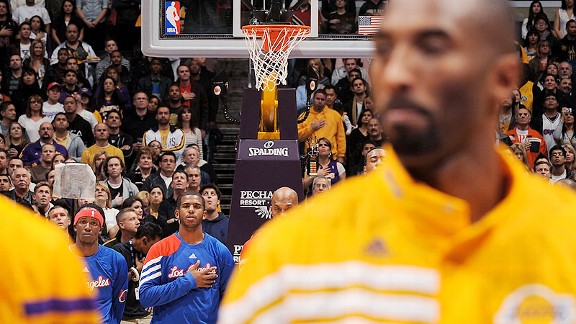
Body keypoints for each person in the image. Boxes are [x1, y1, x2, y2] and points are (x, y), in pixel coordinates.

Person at [219, 0, 576, 322]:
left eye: (432, 48)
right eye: (386, 50)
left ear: (502, 77)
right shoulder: (288, 258)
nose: (398, 73)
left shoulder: (566, 236)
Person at [1, 193, 101, 322]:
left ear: (70, 221)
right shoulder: (44, 246)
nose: (59, 219)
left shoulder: (52, 249)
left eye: (62, 215)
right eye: (55, 216)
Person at [139, 191, 235, 323]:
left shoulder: (220, 251)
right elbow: (145, 297)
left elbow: (231, 299)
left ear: (204, 214)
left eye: (196, 206)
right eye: (186, 206)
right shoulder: (159, 250)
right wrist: (188, 281)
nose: (191, 210)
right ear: (177, 214)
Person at [70, 205, 128, 324]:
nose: (87, 227)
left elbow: (119, 301)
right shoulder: (58, 259)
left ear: (101, 229)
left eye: (93, 223)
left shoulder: (116, 260)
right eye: (83, 222)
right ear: (75, 226)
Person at [111, 222, 162, 323]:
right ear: (144, 240)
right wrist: (136, 270)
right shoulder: (118, 251)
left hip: (146, 313)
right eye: (153, 245)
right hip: (123, 315)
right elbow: (114, 283)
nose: (156, 249)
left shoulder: (150, 255)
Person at [297, 89, 346, 164]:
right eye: (317, 99)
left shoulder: (335, 115)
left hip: (332, 156)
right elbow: (298, 136)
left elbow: (341, 137)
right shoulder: (304, 116)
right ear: (313, 99)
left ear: (326, 100)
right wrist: (311, 129)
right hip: (311, 156)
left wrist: (341, 155)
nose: (320, 101)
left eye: (322, 99)